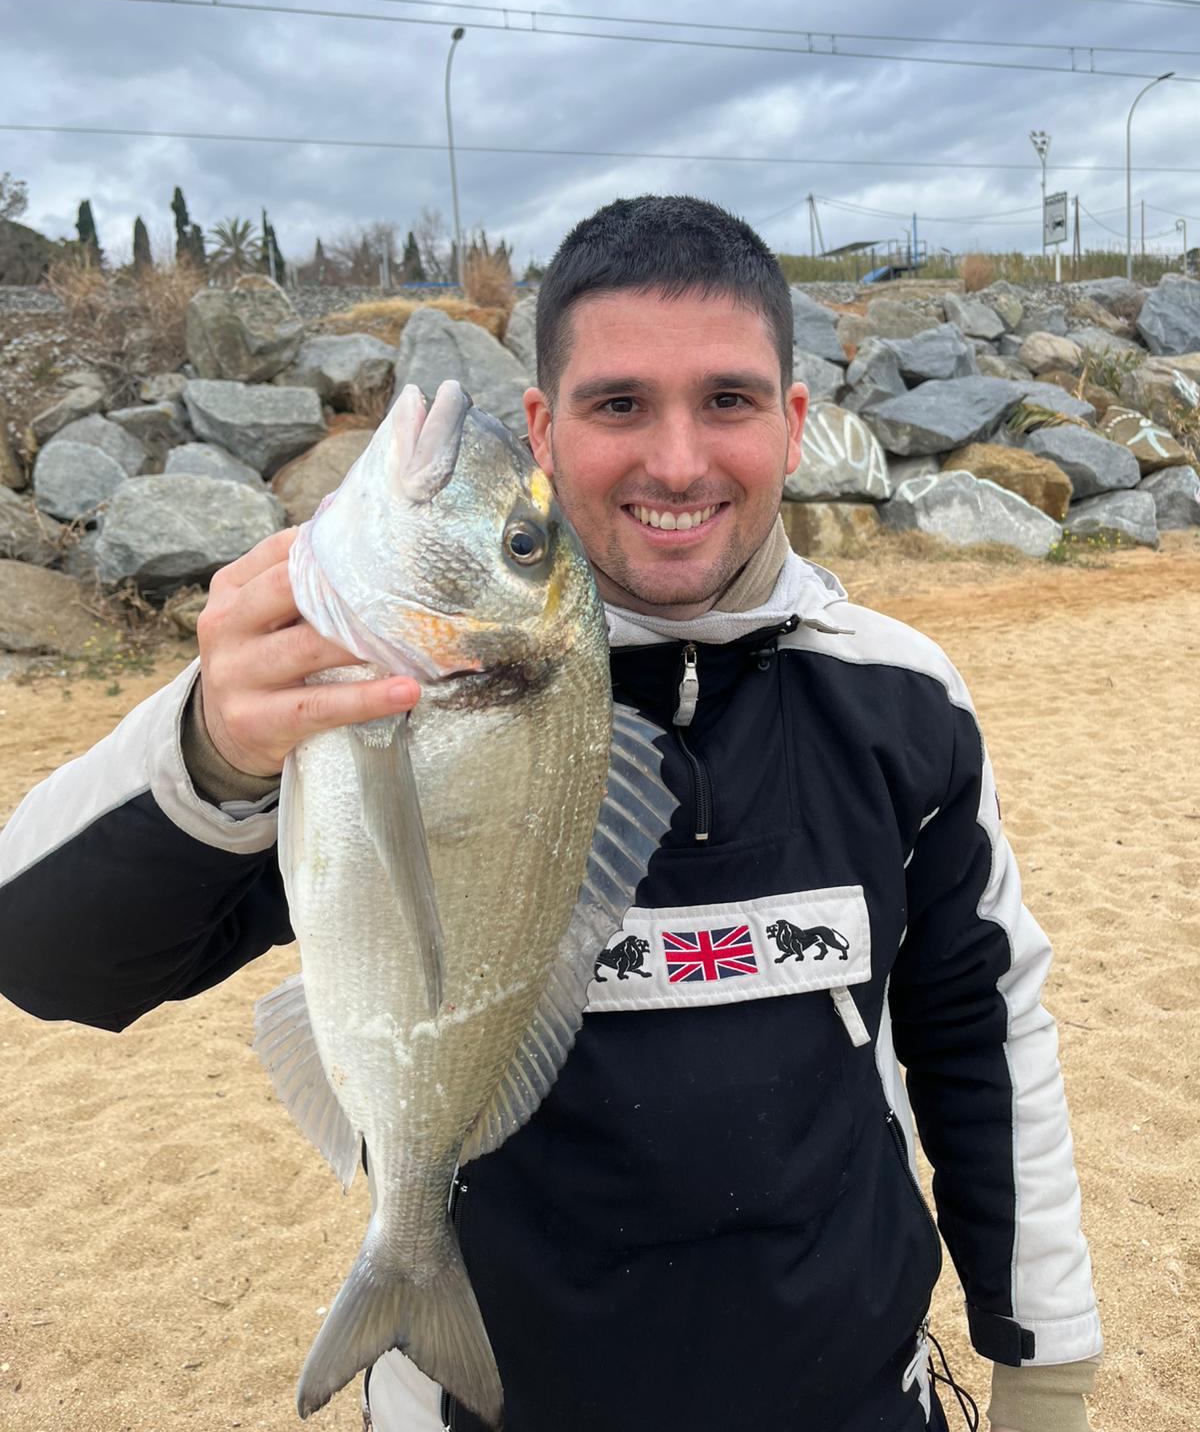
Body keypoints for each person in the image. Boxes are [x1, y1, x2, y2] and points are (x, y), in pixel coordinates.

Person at [0, 195, 1100, 1432]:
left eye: (728, 400)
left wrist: (1044, 1366)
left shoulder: (905, 697)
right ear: (541, 428)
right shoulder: (350, 704)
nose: (676, 461)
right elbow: (43, 959)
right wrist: (209, 740)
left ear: (796, 422)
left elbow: (986, 1029)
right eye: (618, 404)